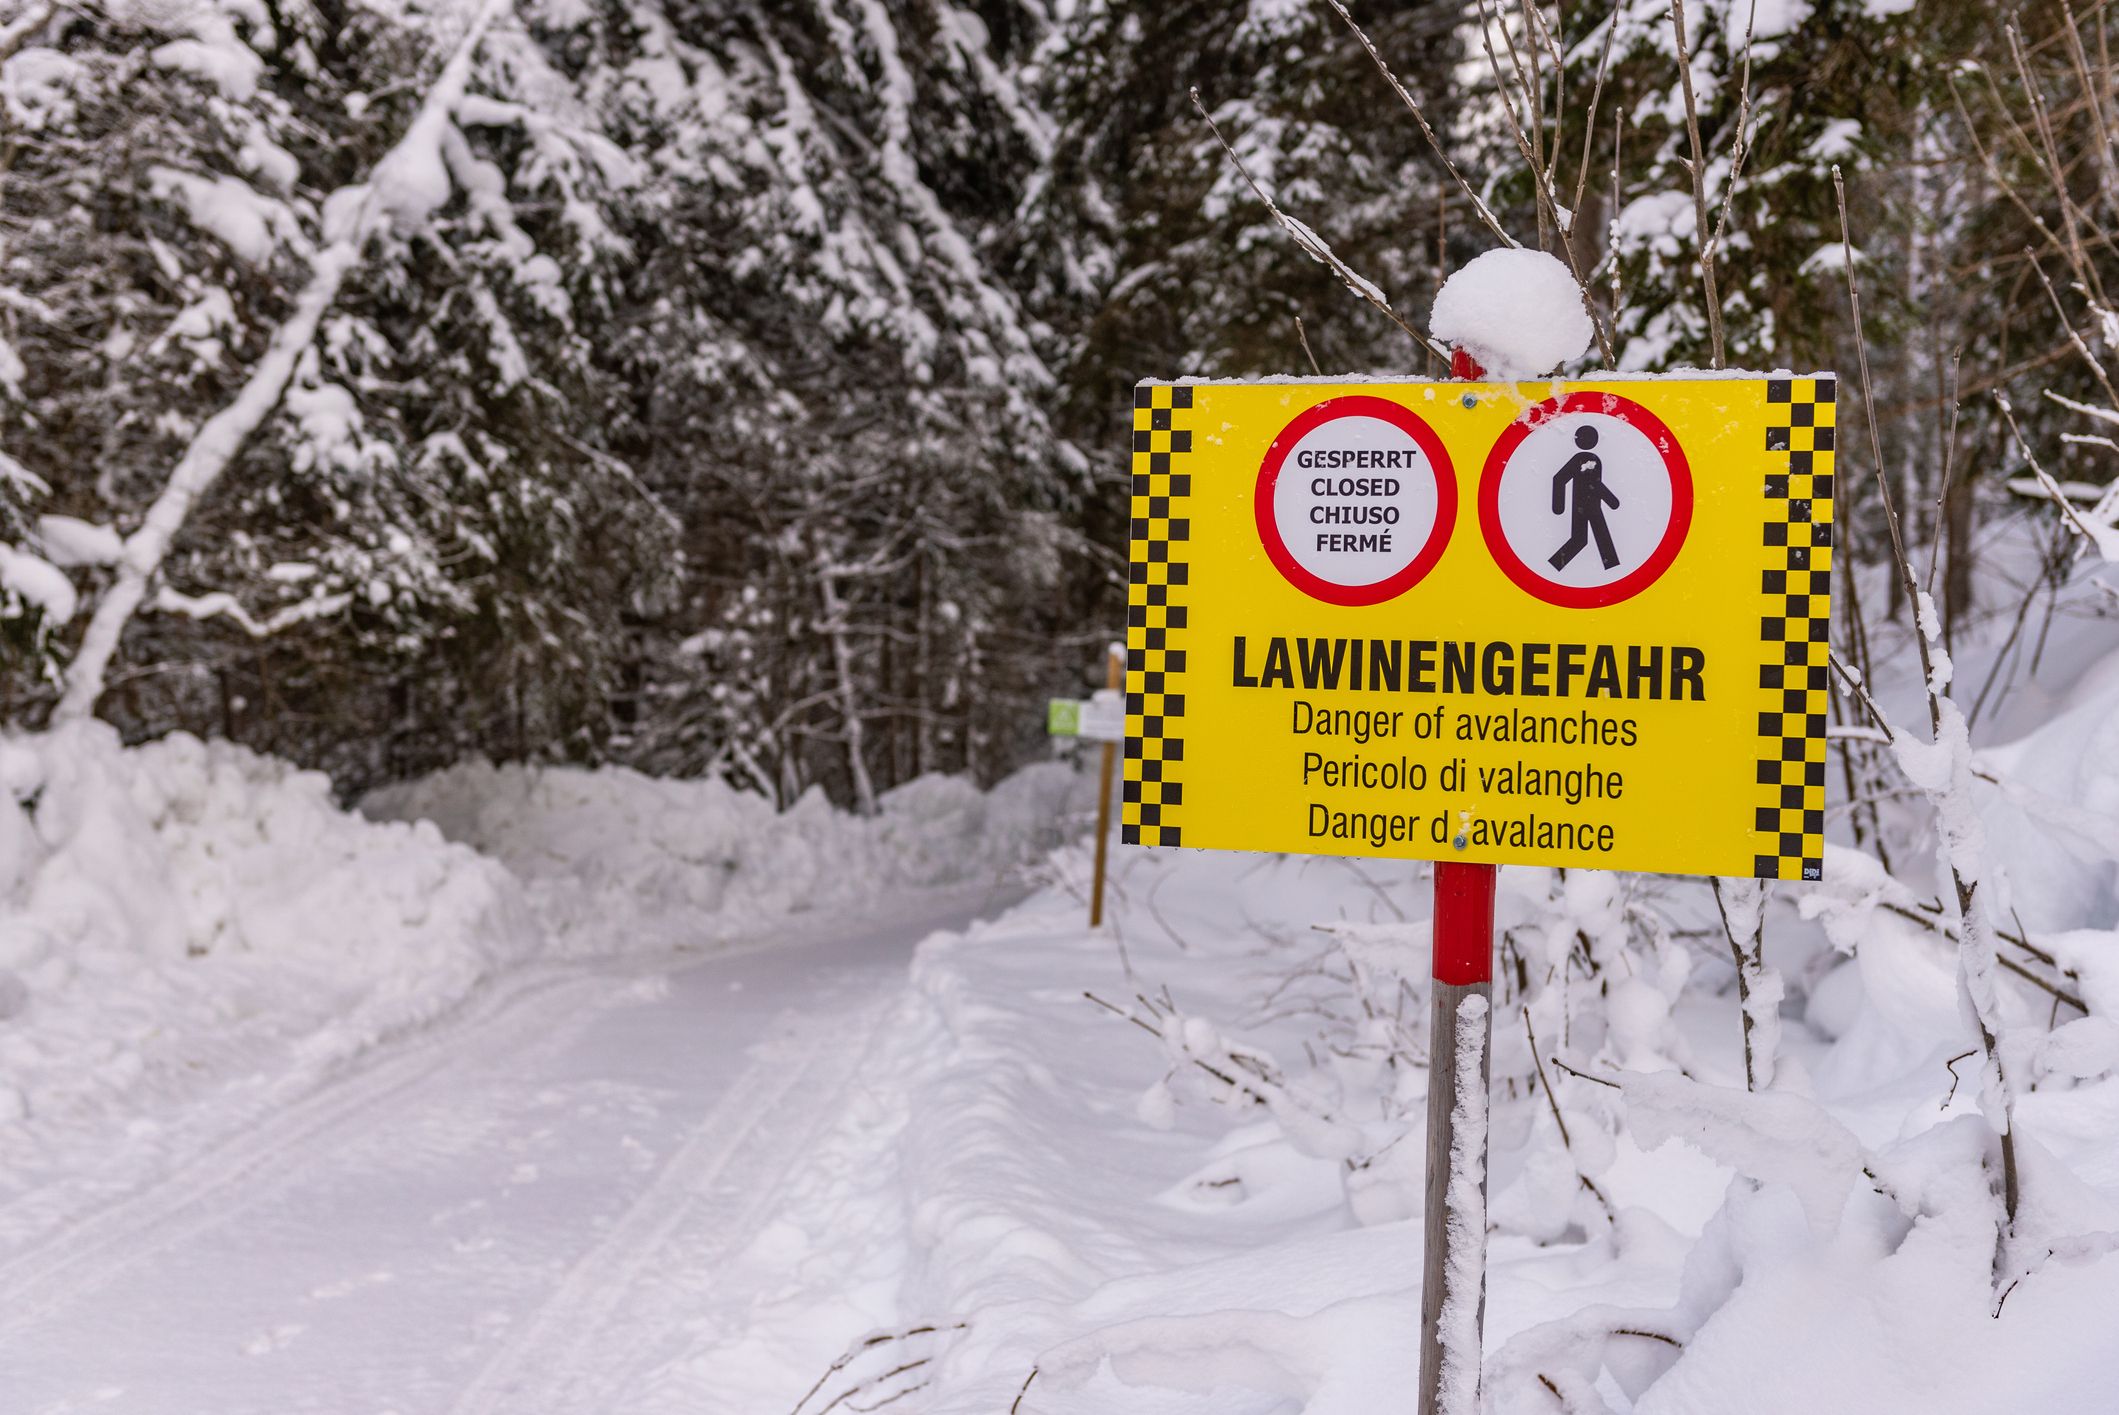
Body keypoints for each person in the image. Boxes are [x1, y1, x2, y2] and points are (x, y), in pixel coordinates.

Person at [1549, 425, 1621, 571]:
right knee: (1582, 540)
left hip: (1593, 507)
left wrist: (1611, 501)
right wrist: (1558, 506)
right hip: (1582, 507)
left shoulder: (1592, 460)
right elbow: (1560, 479)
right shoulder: (1581, 460)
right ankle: (1555, 564)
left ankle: (1614, 569)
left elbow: (1593, 484)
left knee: (1592, 538)